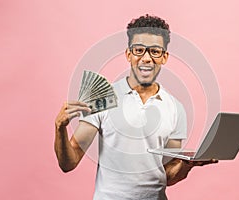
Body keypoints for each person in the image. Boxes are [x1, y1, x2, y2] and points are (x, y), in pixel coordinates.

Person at [55, 14, 218, 200]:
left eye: (155, 51)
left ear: (164, 57)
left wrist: (186, 165)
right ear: (128, 55)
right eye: (139, 50)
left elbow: (167, 175)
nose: (146, 58)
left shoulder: (175, 108)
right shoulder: (102, 98)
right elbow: (68, 163)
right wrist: (60, 129)